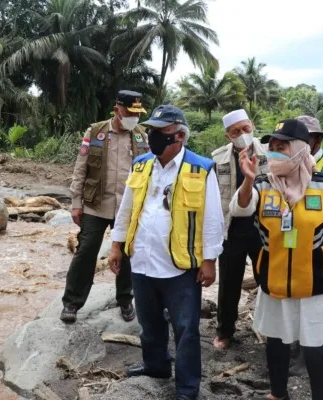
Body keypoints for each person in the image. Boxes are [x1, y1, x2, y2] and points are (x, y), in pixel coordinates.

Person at [230, 118, 323, 400]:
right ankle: (279, 394)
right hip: (274, 282)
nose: (275, 152)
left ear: (301, 149)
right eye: (273, 147)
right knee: (276, 341)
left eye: (283, 146)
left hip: (315, 284)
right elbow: (240, 210)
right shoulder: (264, 185)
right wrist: (248, 181)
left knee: (316, 348)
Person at [108, 105, 224, 400]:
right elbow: (127, 208)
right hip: (143, 260)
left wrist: (209, 261)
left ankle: (187, 388)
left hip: (180, 266)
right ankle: (156, 366)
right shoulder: (142, 164)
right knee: (149, 323)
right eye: (151, 131)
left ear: (180, 135)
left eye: (160, 132)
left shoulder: (201, 168)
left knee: (186, 330)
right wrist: (116, 245)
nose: (151, 137)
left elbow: (212, 219)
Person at [60, 90, 150, 323]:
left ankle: (125, 300)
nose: (134, 117)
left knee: (128, 253)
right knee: (86, 251)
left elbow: (149, 171)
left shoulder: (141, 135)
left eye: (137, 113)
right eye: (130, 112)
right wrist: (76, 203)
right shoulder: (96, 132)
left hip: (128, 206)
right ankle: (72, 302)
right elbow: (81, 169)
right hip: (96, 205)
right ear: (118, 109)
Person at [211, 109, 269, 350]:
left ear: (252, 126)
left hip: (263, 227)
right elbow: (213, 196)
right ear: (228, 136)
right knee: (229, 282)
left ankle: (270, 329)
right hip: (231, 227)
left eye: (245, 129)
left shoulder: (270, 153)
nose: (242, 134)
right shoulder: (217, 158)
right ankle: (225, 331)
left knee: (267, 279)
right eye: (236, 132)